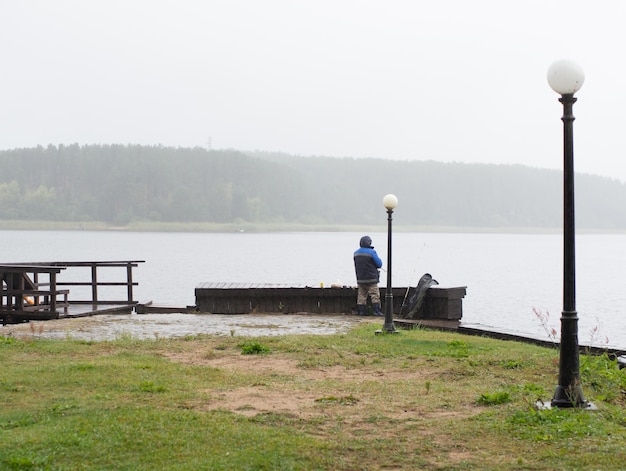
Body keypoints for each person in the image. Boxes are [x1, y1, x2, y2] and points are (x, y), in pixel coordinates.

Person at [353, 235, 383, 316]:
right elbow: (379, 264)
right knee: (374, 295)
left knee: (361, 295)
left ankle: (361, 312)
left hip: (360, 278)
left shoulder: (356, 253)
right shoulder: (372, 252)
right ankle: (376, 311)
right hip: (371, 278)